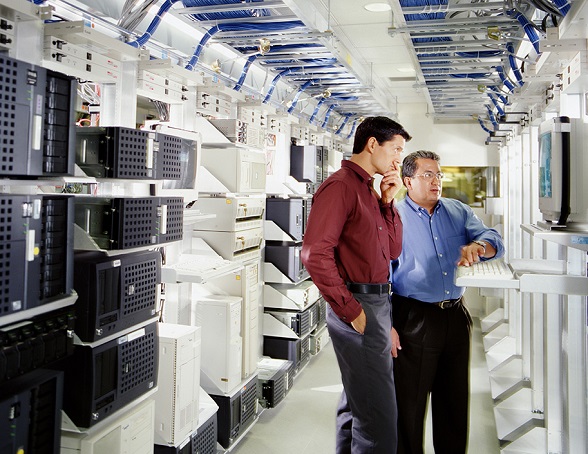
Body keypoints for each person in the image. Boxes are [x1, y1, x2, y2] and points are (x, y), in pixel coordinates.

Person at [301, 116, 411, 454]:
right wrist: (352, 312)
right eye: (396, 149)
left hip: (376, 303)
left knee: (357, 407)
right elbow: (314, 254)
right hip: (359, 305)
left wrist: (387, 202)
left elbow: (392, 250)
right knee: (379, 420)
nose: (398, 160)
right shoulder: (342, 187)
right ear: (372, 144)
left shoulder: (369, 190)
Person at [390, 150, 505, 454]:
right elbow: (377, 278)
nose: (435, 181)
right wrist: (384, 326)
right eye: (427, 175)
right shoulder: (392, 217)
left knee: (454, 404)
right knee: (409, 408)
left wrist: (480, 247)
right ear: (407, 181)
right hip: (411, 317)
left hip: (455, 317)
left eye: (438, 174)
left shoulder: (458, 211)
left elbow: (495, 239)